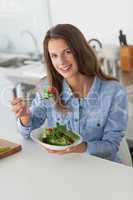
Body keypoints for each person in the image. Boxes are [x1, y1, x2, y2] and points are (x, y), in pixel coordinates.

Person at [11, 24, 128, 163]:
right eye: (54, 55)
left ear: (80, 51)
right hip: (64, 168)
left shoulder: (113, 92)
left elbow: (111, 145)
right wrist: (24, 116)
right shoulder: (48, 90)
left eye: (67, 52)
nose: (61, 61)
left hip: (103, 170)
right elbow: (26, 133)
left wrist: (82, 147)